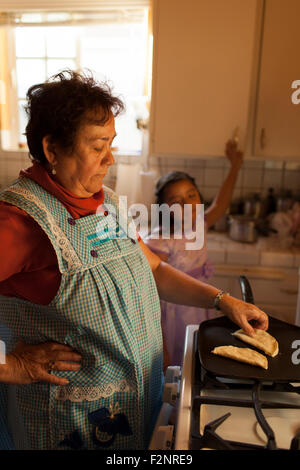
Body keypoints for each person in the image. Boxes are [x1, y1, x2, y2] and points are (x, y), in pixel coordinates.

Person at [0, 70, 268, 451]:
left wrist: (222, 300)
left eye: (111, 143)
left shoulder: (105, 202)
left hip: (136, 412)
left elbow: (153, 268)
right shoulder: (19, 223)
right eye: (97, 146)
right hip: (68, 428)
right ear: (51, 149)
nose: (110, 157)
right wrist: (10, 364)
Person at [144, 145, 243, 367]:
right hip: (176, 307)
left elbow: (221, 204)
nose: (187, 204)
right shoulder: (161, 239)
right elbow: (155, 283)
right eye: (175, 201)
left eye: (191, 195)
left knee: (195, 350)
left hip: (200, 302)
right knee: (179, 354)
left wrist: (235, 166)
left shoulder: (200, 224)